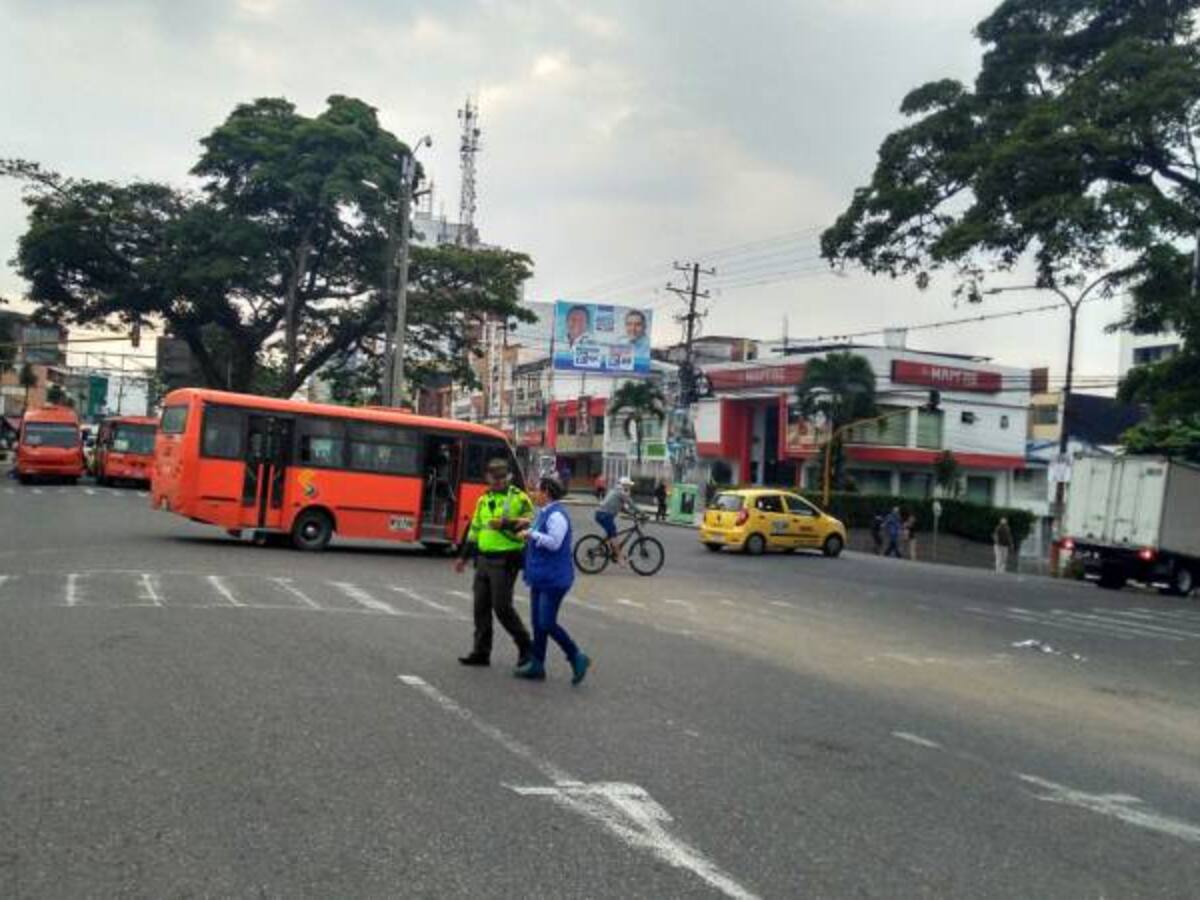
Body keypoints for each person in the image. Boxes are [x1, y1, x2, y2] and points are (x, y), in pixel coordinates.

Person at [453, 459, 534, 667]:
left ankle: (526, 646)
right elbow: (475, 530)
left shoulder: (519, 498)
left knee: (502, 607)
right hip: (483, 559)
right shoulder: (483, 499)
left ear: (507, 477)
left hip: (506, 559)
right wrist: (463, 556)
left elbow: (530, 525)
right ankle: (481, 652)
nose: (496, 482)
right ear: (487, 478)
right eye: (493, 478)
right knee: (480, 607)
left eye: (500, 478)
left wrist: (505, 524)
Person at [514, 475, 591, 684]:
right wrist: (528, 527)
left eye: (537, 490)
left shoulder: (557, 516)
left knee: (546, 622)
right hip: (540, 576)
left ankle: (576, 655)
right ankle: (537, 664)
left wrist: (531, 535)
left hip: (554, 578)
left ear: (546, 492)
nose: (533, 494)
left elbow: (555, 543)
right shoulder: (544, 513)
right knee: (538, 623)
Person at [596, 476, 639, 564]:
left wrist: (630, 514)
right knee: (614, 535)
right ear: (624, 485)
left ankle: (605, 548)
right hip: (605, 515)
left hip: (600, 514)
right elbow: (631, 504)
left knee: (610, 534)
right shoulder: (621, 492)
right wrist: (642, 513)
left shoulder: (614, 490)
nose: (629, 487)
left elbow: (622, 508)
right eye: (628, 485)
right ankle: (620, 558)